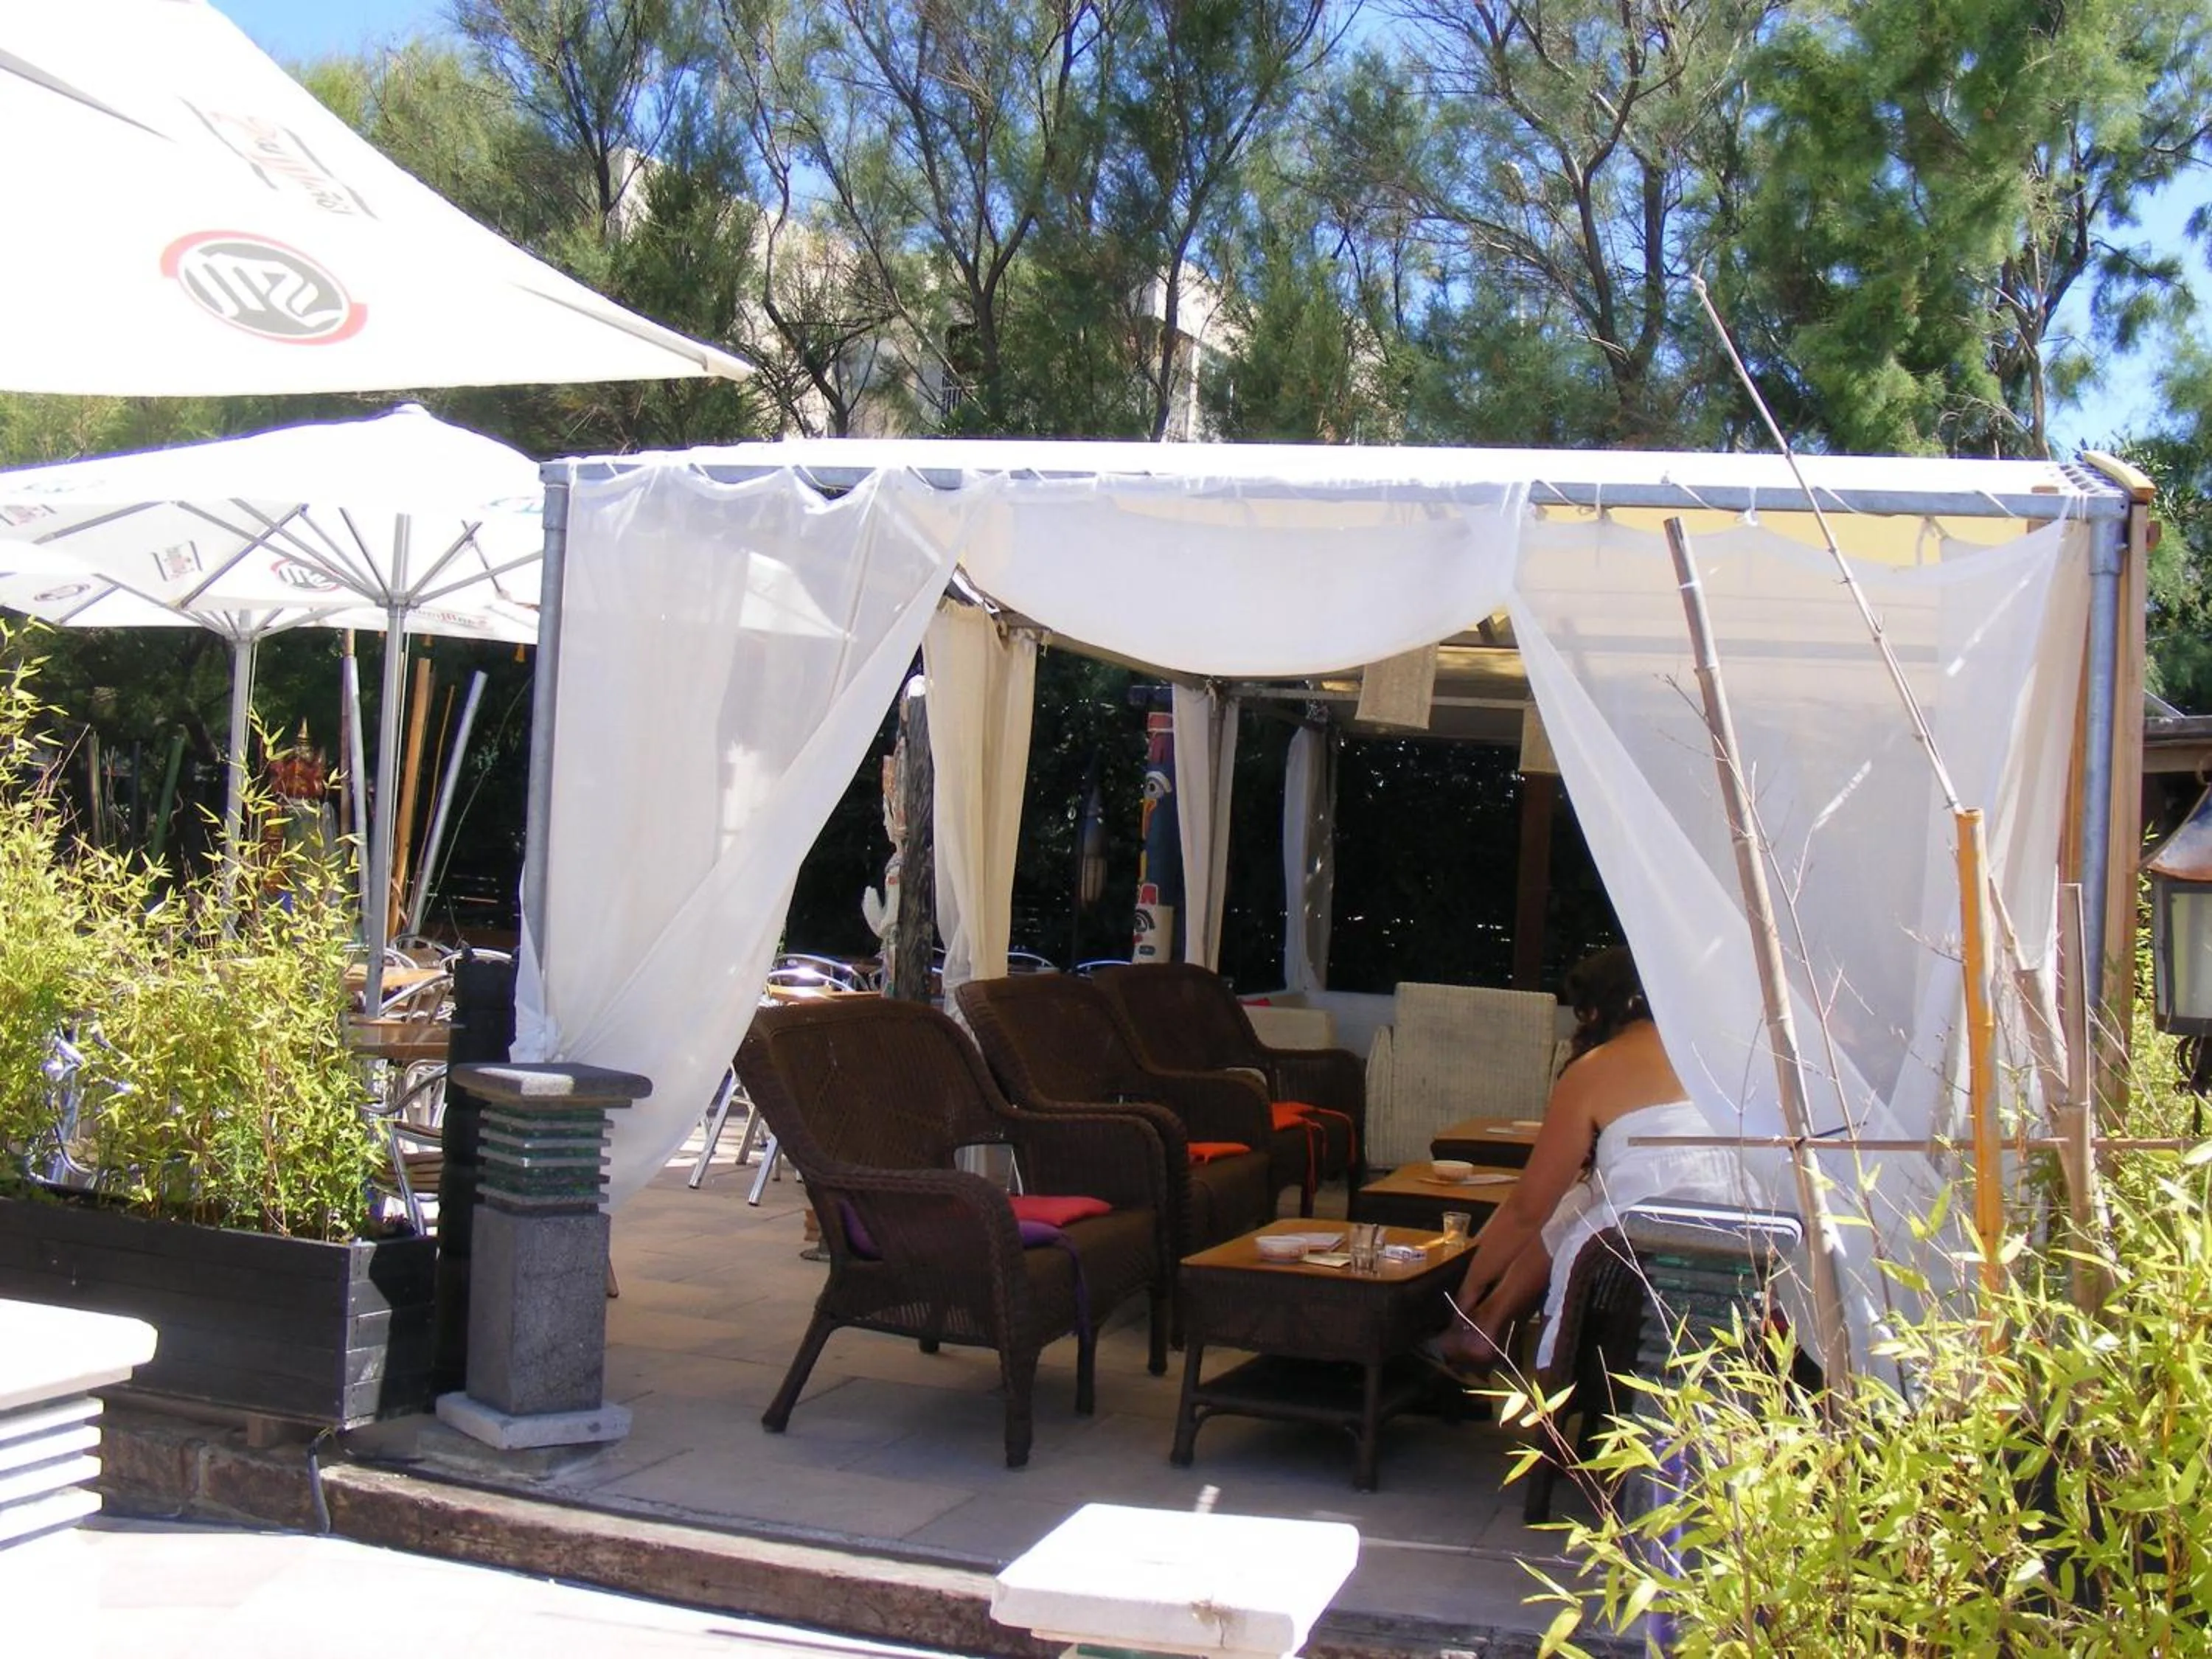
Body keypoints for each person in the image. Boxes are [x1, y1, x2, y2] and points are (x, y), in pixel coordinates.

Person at [1426, 946, 1750, 1378]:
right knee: (1582, 1198)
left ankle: (1484, 1326)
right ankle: (1487, 1326)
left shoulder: (1595, 1070)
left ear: (1601, 1010)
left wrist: (1467, 1285)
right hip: (1753, 1240)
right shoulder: (1728, 1055)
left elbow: (1528, 1208)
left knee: (1572, 1209)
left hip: (1639, 1257)